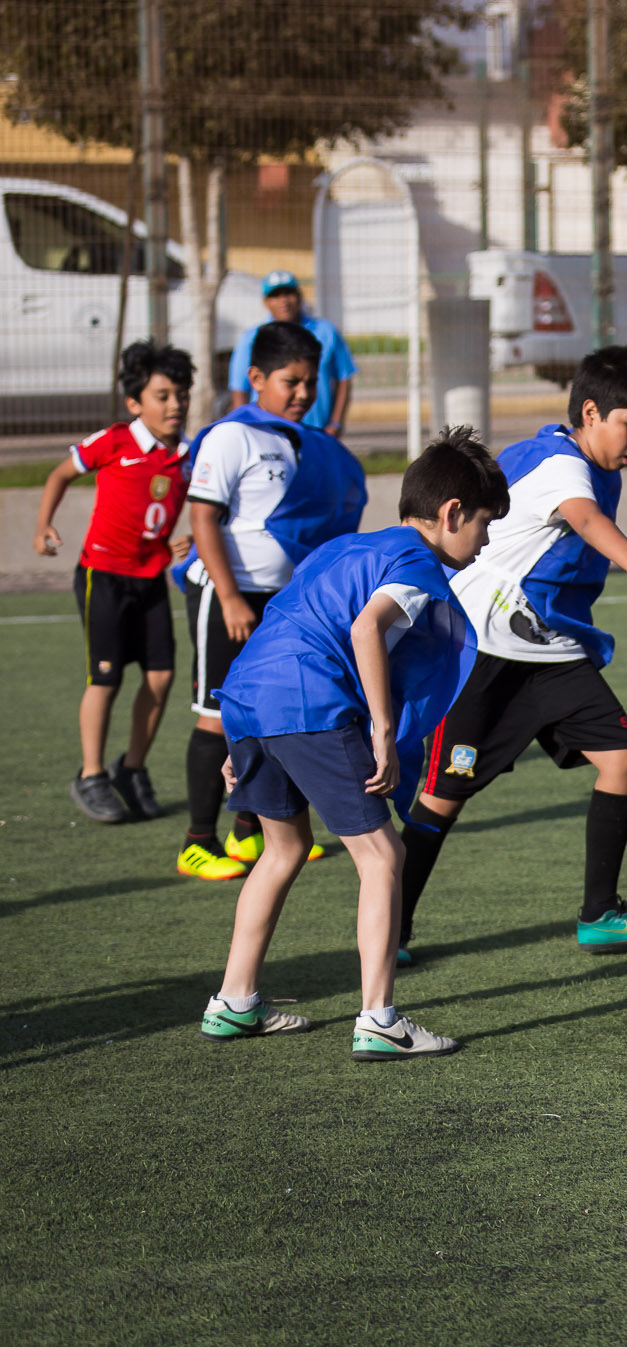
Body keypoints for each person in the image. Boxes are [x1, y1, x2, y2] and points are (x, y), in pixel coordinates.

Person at [199, 429, 506, 1059]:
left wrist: (246, 725)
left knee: (282, 850)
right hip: (311, 700)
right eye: (482, 523)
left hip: (251, 694)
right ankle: (379, 1019)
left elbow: (285, 618)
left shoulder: (346, 546)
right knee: (381, 855)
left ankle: (233, 1001)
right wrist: (383, 729)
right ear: (450, 514)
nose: (485, 540)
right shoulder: (417, 562)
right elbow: (368, 628)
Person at [398, 346, 627, 959]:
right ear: (590, 412)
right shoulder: (563, 465)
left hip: (547, 650)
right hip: (487, 649)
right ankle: (390, 930)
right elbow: (582, 518)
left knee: (625, 757)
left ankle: (600, 912)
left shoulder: (582, 462)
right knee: (443, 795)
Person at [175, 320, 368, 880]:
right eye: (291, 381)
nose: (303, 393)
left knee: (264, 715)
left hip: (281, 603)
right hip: (228, 594)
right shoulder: (233, 436)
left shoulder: (305, 441)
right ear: (256, 377)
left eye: (310, 382)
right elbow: (204, 518)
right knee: (218, 717)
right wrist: (231, 597)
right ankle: (197, 841)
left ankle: (248, 833)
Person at [33, 341, 194, 825]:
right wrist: (43, 525)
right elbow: (59, 475)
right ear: (135, 403)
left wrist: (181, 543)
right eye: (162, 395)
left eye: (181, 394)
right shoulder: (115, 441)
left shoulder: (189, 453)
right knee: (105, 676)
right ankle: (90, 774)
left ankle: (131, 768)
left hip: (150, 579)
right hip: (102, 575)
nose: (175, 404)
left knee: (162, 676)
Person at [228, 271, 356, 437]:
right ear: (266, 302)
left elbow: (344, 378)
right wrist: (245, 430)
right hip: (269, 433)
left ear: (299, 296)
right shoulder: (253, 338)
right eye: (276, 295)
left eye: (289, 293)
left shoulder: (325, 331)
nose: (284, 301)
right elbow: (239, 389)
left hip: (317, 432)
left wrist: (336, 423)